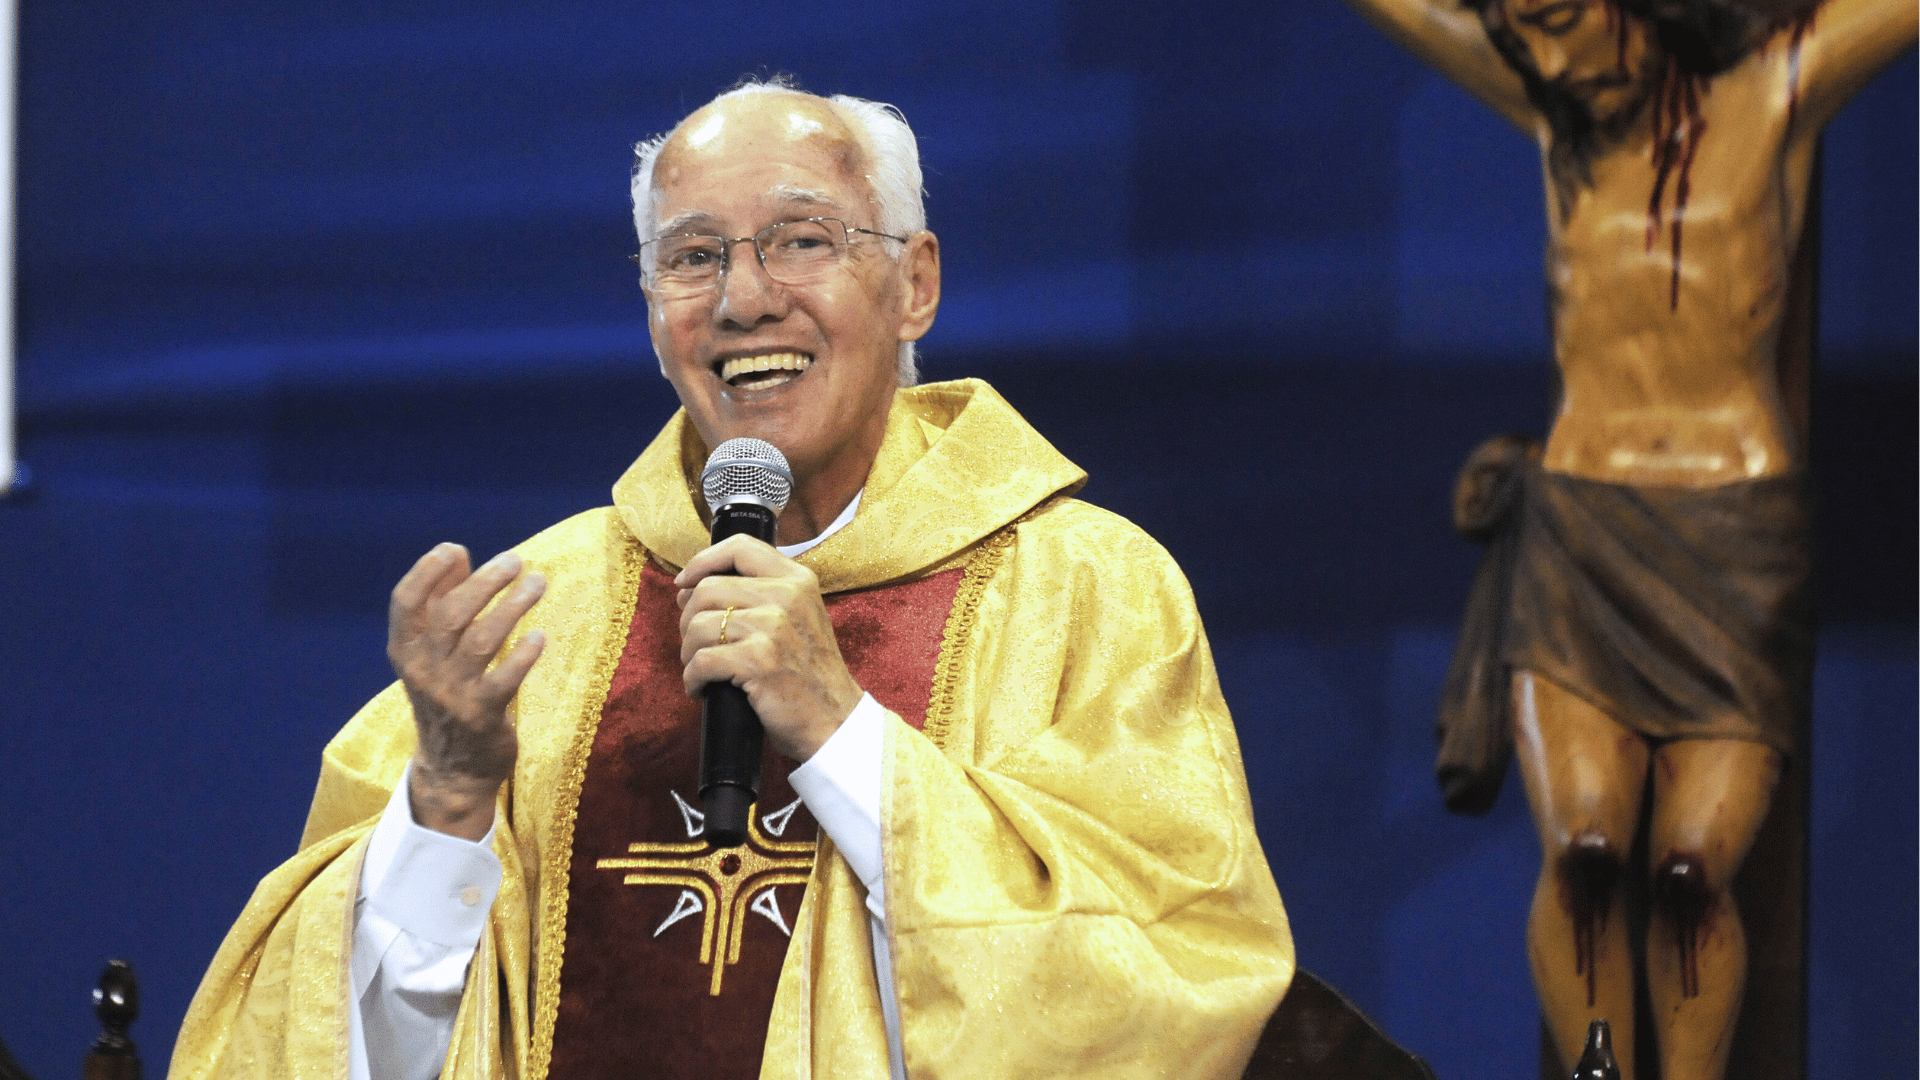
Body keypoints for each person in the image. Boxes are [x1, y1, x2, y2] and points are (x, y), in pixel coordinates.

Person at [170, 78, 1294, 1080]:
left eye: (801, 240)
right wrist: (451, 806)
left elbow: (1164, 994)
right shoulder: (537, 616)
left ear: (914, 284)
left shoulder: (1088, 590)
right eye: (695, 256)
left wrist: (843, 733)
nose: (744, 299)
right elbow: (309, 1046)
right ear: (654, 314)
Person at [1335, 0, 1913, 1076]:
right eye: (1522, 32)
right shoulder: (1559, 117)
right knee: (1588, 849)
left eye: (1559, 20)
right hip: (1581, 533)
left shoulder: (1781, 88)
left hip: (1734, 541)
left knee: (1695, 865)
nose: (1548, 56)